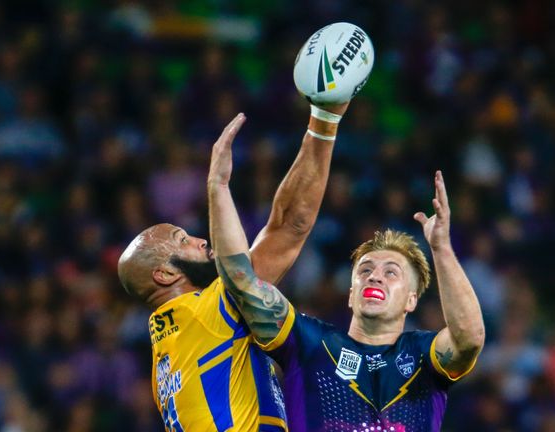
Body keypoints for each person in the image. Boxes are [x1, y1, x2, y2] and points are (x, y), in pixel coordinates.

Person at [209, 124, 486, 431]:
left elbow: (469, 337)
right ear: (351, 293)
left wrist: (442, 248)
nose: (375, 277)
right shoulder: (310, 343)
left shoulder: (423, 356)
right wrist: (219, 189)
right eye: (365, 270)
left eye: (391, 272)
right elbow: (241, 282)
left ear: (411, 299)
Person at [117, 100, 348, 431]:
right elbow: (290, 225)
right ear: (165, 274)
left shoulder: (165, 355)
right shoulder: (208, 314)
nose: (200, 241)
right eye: (182, 240)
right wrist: (324, 121)